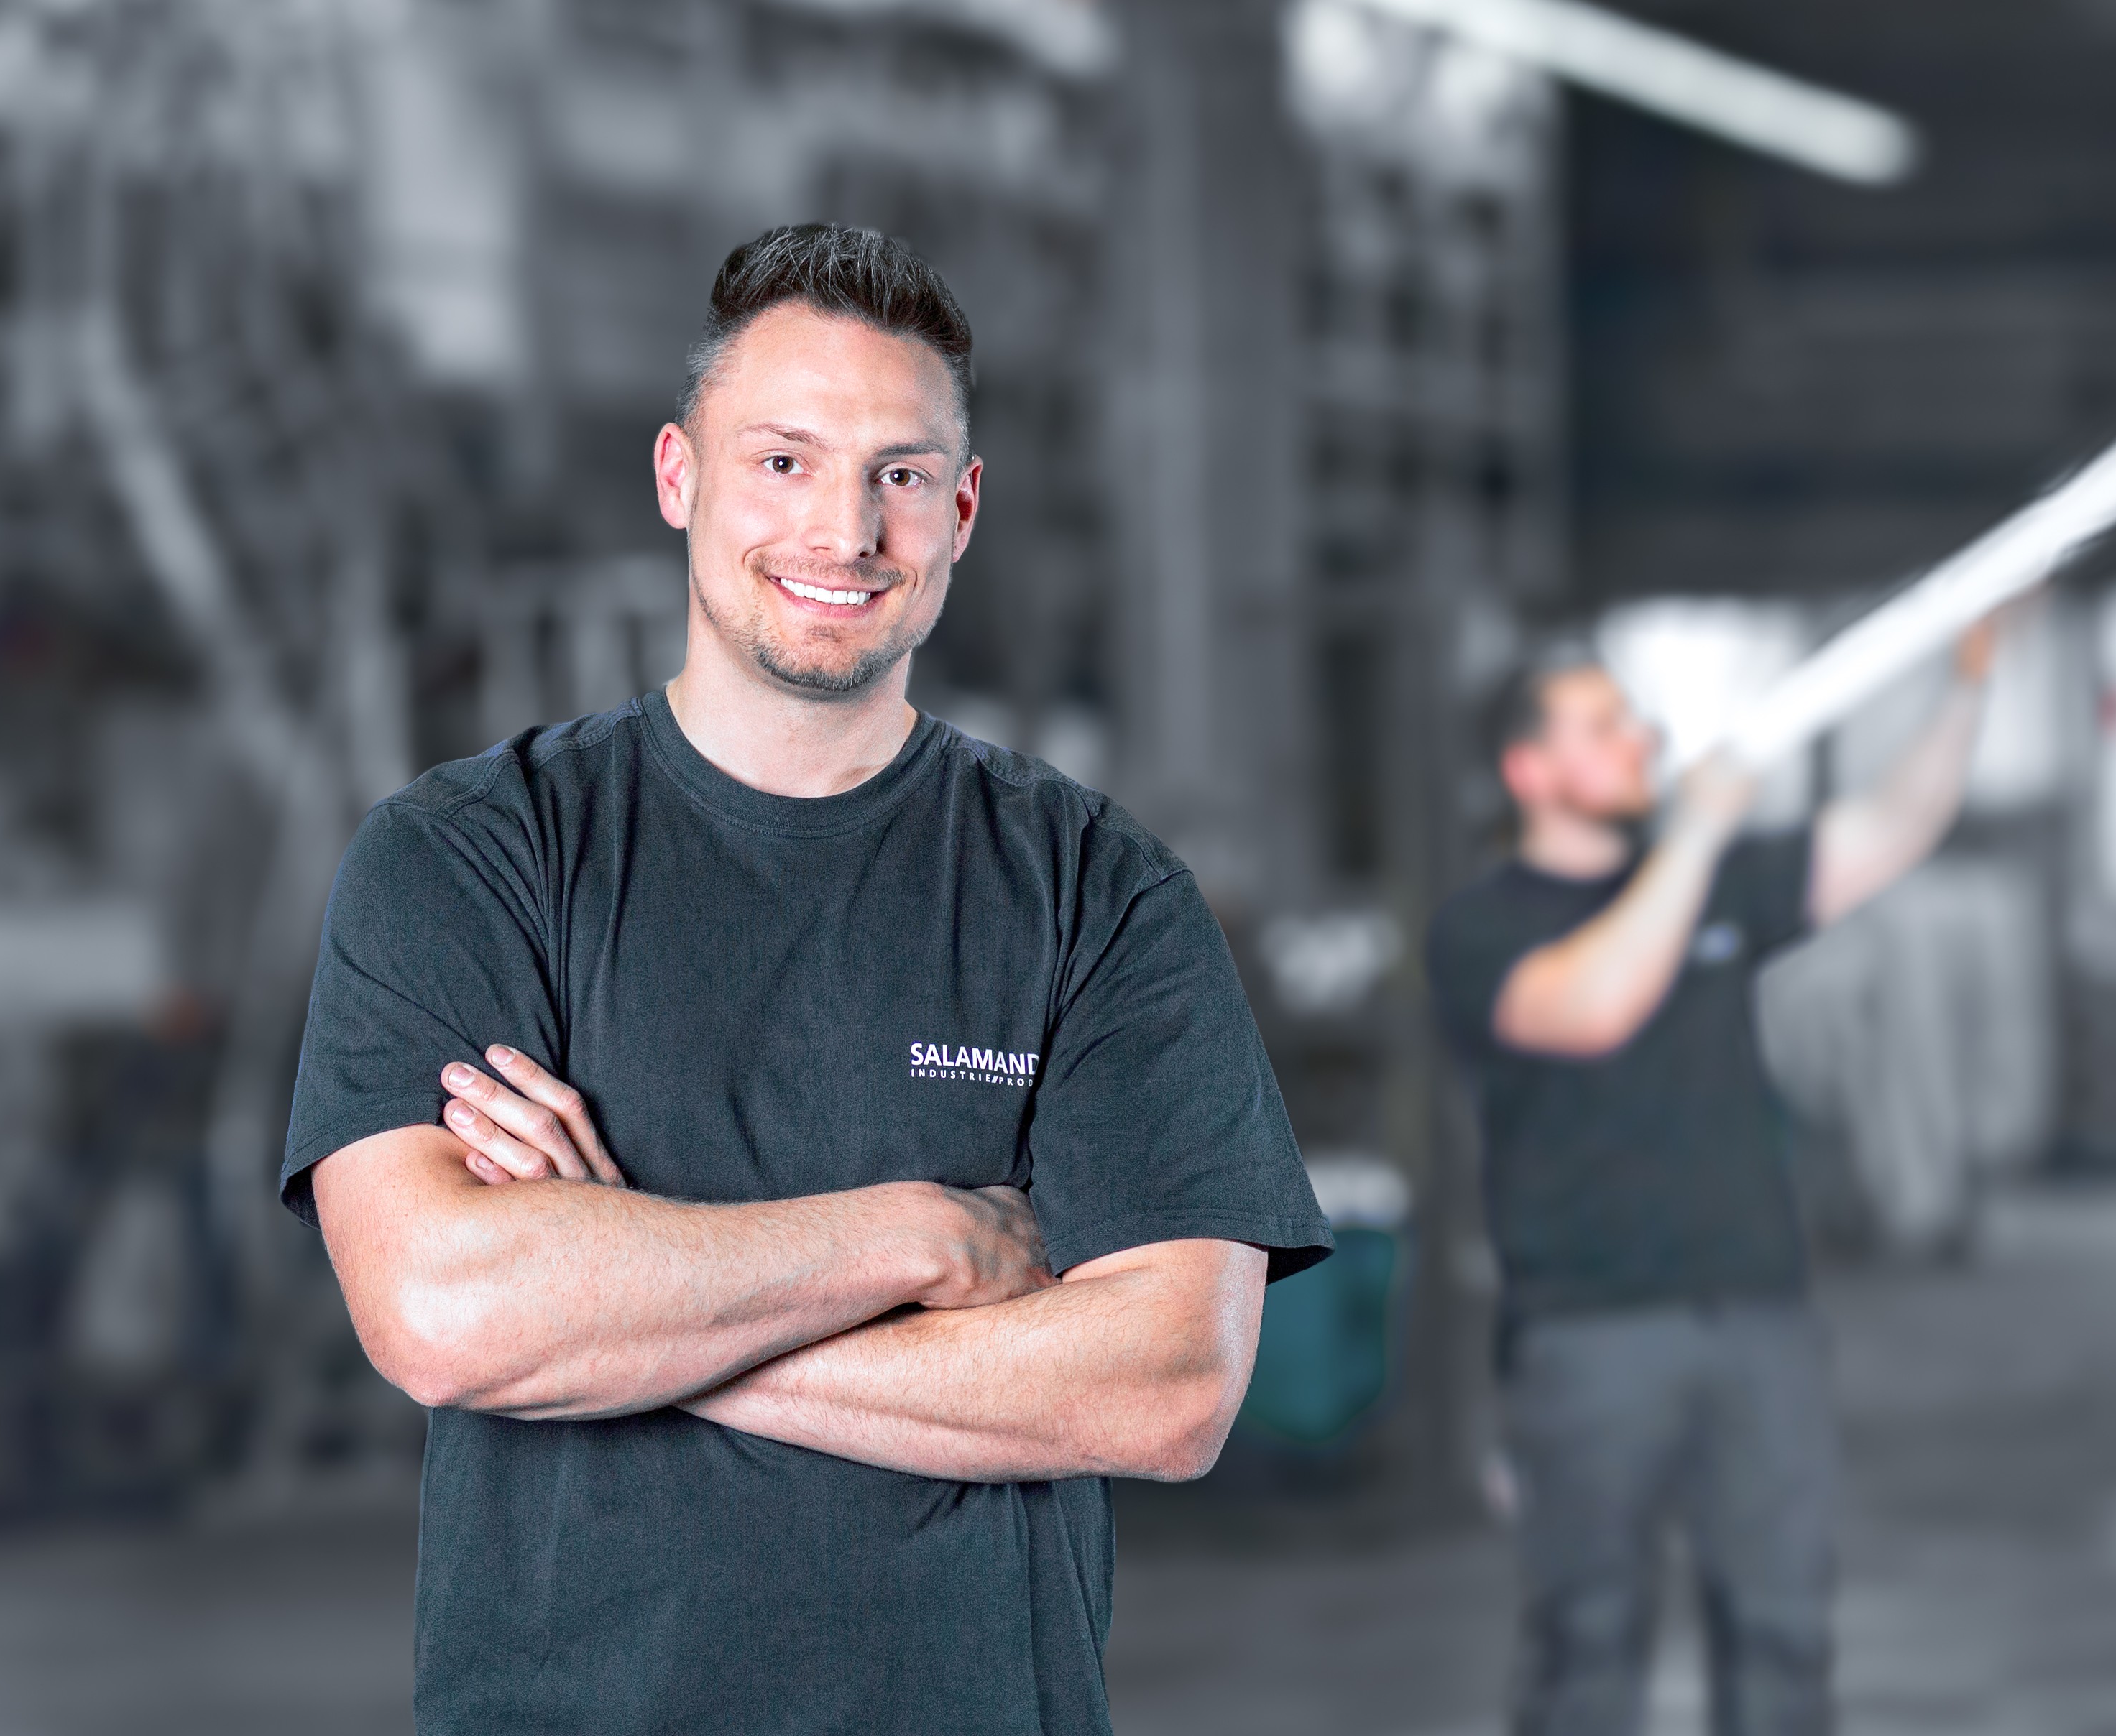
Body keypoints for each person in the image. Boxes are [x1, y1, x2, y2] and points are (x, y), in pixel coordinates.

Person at [281, 223, 1333, 1733]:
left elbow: (1167, 1388)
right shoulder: (470, 857)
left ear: (962, 511)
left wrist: (619, 1307)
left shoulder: (1098, 890)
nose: (845, 530)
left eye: (900, 474)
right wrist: (917, 1238)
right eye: (783, 460)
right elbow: (445, 1314)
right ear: (677, 477)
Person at [1429, 627, 1997, 1736]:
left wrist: (1968, 684)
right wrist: (1691, 840)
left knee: (1783, 1634)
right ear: (1528, 771)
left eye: (1634, 719)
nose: (1640, 740)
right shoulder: (1480, 928)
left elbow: (1892, 828)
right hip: (1587, 1341)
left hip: (1757, 1323)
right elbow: (1591, 1008)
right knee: (1584, 1646)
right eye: (1602, 727)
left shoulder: (1717, 878)